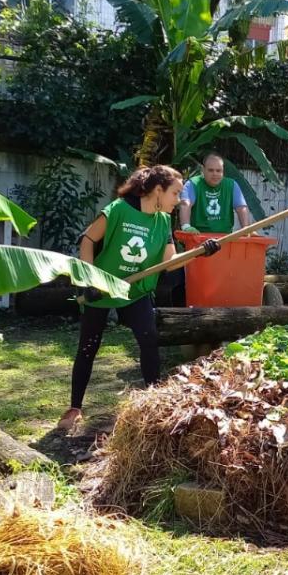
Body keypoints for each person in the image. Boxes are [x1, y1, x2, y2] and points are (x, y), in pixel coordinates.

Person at [60, 165, 221, 430]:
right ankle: (75, 407)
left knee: (149, 340)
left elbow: (169, 264)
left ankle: (153, 404)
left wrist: (199, 252)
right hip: (102, 288)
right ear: (158, 190)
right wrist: (88, 279)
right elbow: (88, 240)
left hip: (135, 292)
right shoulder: (119, 209)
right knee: (89, 347)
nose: (179, 200)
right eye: (175, 193)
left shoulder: (163, 221)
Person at [178, 153, 250, 233]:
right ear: (203, 169)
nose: (215, 174)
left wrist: (246, 228)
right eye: (211, 170)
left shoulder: (231, 185)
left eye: (218, 170)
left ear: (223, 170)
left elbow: (241, 207)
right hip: (198, 236)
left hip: (225, 237)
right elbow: (185, 204)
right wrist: (186, 227)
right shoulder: (193, 184)